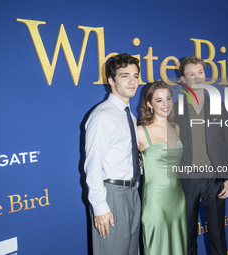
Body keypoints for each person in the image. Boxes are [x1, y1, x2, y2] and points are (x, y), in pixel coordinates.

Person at [174, 56, 228, 255]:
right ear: (183, 79)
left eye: (200, 72)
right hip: (187, 179)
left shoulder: (219, 107)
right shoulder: (175, 110)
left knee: (218, 235)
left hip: (215, 178)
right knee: (187, 235)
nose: (197, 77)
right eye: (191, 74)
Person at [84, 53, 141, 255]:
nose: (132, 81)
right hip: (112, 195)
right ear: (111, 80)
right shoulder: (102, 116)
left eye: (135, 76)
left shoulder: (129, 116)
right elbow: (92, 165)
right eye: (125, 75)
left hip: (133, 193)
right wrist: (100, 208)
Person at [137, 81, 187, 255]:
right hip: (155, 200)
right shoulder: (140, 132)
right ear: (149, 104)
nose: (165, 104)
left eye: (168, 98)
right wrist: (141, 163)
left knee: (177, 245)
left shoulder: (176, 128)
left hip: (178, 197)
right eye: (159, 100)